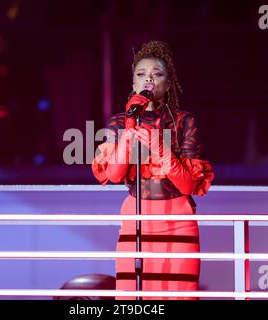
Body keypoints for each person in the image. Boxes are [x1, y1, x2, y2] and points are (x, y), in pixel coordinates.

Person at [91, 41, 215, 300]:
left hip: (177, 223)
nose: (148, 79)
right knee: (131, 299)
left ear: (168, 84)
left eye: (157, 74)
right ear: (134, 84)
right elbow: (113, 175)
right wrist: (128, 130)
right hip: (136, 223)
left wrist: (160, 147)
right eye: (141, 74)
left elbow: (189, 186)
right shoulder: (117, 122)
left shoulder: (184, 121)